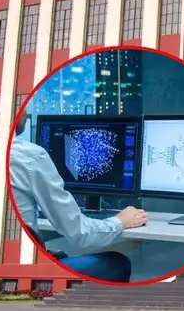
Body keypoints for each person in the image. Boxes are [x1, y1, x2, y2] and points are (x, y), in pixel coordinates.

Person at [9, 112, 148, 283]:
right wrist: (120, 221)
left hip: (9, 262)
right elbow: (79, 233)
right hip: (26, 267)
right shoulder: (30, 156)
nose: (27, 113)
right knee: (119, 262)